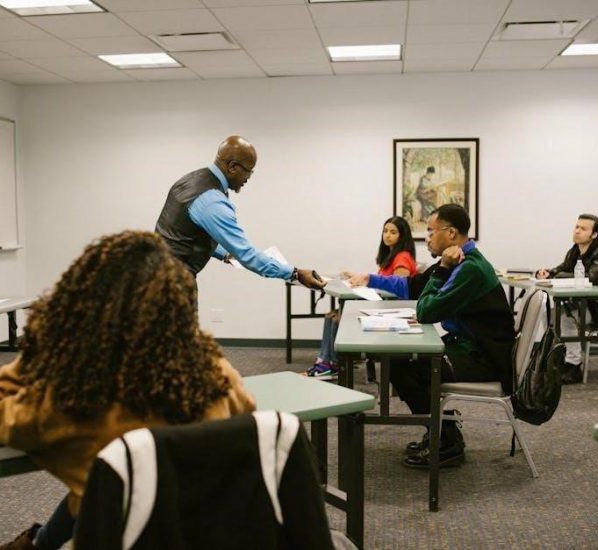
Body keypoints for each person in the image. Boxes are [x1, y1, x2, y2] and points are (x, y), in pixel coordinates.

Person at [0, 231, 256, 550]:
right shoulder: (213, 371)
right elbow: (246, 415)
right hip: (204, 530)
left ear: (86, 299)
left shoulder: (70, 395)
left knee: (92, 487)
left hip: (120, 534)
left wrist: (44, 345)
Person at [346, 204, 515, 469]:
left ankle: (446, 439)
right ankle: (442, 430)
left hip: (483, 358)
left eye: (431, 231)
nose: (427, 238)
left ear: (451, 233)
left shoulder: (469, 268)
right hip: (468, 347)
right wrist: (371, 279)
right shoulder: (461, 262)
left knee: (403, 367)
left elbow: (425, 311)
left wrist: (443, 268)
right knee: (403, 362)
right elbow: (415, 287)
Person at [154, 135, 324, 291]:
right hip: (172, 287)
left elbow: (185, 236)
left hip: (155, 277)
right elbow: (247, 255)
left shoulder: (189, 180)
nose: (249, 177)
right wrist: (295, 273)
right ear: (233, 167)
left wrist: (226, 254)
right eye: (249, 170)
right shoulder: (212, 202)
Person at [308, 216, 417, 379]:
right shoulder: (391, 255)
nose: (387, 235)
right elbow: (383, 283)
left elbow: (398, 290)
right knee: (331, 315)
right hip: (383, 306)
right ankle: (326, 361)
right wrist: (357, 278)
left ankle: (334, 363)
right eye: (385, 231)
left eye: (393, 232)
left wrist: (365, 283)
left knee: (337, 318)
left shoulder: (402, 257)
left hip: (392, 310)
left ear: (402, 236)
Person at [535, 214, 598, 383]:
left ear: (594, 234)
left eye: (583, 228)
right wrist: (547, 273)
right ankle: (557, 356)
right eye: (577, 227)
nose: (577, 231)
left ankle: (574, 365)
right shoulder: (576, 249)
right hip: (583, 304)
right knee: (547, 312)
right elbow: (563, 268)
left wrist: (559, 275)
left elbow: (592, 277)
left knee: (566, 318)